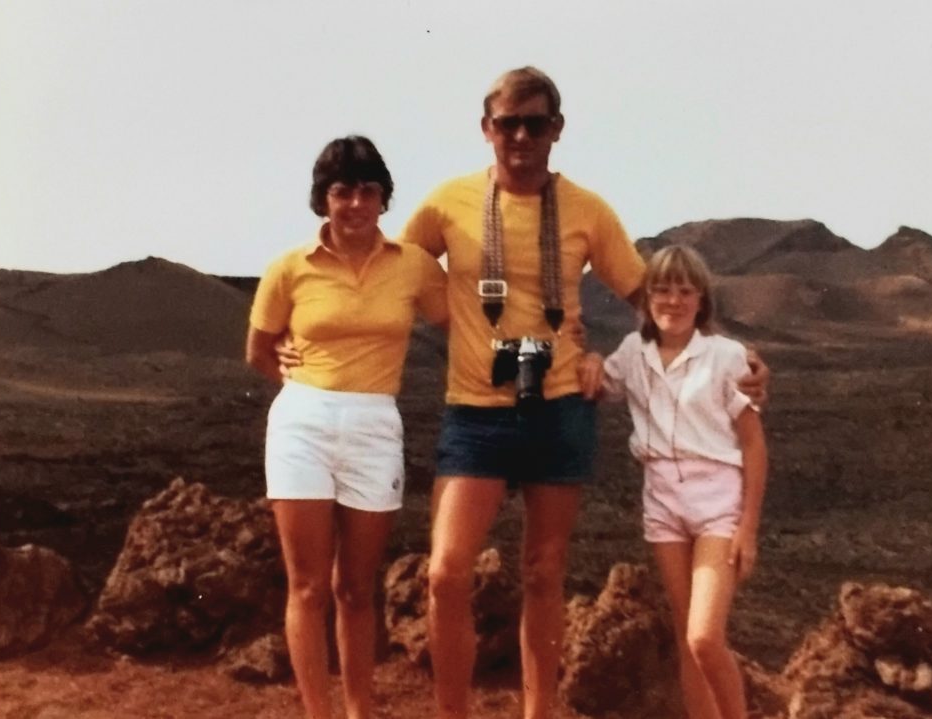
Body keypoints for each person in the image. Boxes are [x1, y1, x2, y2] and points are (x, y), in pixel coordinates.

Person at [398, 67, 768, 719]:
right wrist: (438, 312)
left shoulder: (586, 209)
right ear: (486, 129)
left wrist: (735, 355)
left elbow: (653, 298)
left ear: (557, 129)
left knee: (544, 572)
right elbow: (393, 268)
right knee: (446, 572)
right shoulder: (447, 202)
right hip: (477, 413)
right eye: (508, 123)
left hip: (561, 407)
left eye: (535, 123)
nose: (520, 135)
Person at [245, 135, 447, 719]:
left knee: (357, 588)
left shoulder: (413, 266)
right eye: (342, 192)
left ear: (383, 198)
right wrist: (288, 369)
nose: (355, 204)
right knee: (307, 586)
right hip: (302, 423)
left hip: (374, 424)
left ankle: (360, 710)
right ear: (323, 199)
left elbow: (461, 321)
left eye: (367, 191)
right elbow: (258, 350)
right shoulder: (290, 268)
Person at [582, 244, 767, 719]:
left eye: (685, 291)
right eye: (662, 290)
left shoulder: (726, 356)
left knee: (704, 636)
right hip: (662, 503)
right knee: (686, 635)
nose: (673, 301)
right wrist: (592, 358)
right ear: (647, 299)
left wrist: (748, 528)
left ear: (702, 300)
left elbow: (753, 445)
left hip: (717, 504)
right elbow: (598, 384)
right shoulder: (633, 353)